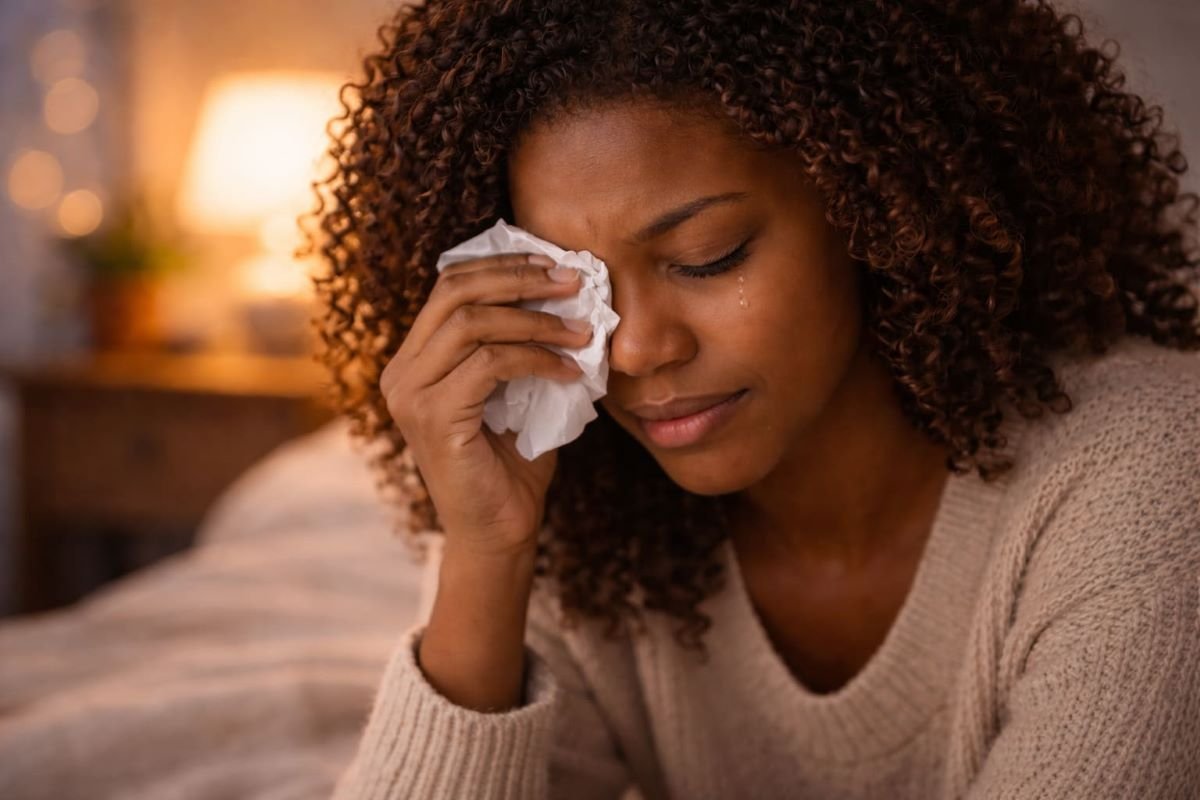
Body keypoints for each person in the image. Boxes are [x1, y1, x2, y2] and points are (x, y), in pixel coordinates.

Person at [310, 0, 1200, 797]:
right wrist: (485, 549)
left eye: (708, 256)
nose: (635, 349)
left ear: (878, 209)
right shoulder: (576, 515)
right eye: (570, 290)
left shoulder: (1152, 476)